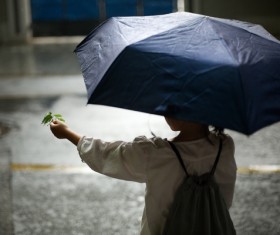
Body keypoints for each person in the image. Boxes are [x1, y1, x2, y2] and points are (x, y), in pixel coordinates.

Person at [50, 116, 237, 235]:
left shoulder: (155, 154)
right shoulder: (225, 146)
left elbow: (106, 154)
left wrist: (67, 133)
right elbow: (225, 198)